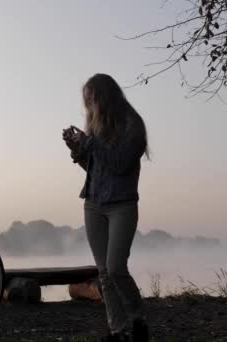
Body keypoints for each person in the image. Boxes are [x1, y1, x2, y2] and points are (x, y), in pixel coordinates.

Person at [63, 73, 150, 342]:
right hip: (93, 204)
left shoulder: (132, 125)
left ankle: (138, 320)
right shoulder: (96, 125)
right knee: (103, 272)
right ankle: (118, 330)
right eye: (86, 101)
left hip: (122, 205)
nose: (89, 106)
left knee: (115, 268)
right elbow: (95, 166)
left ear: (105, 97)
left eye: (92, 99)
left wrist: (89, 143)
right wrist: (77, 149)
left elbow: (119, 164)